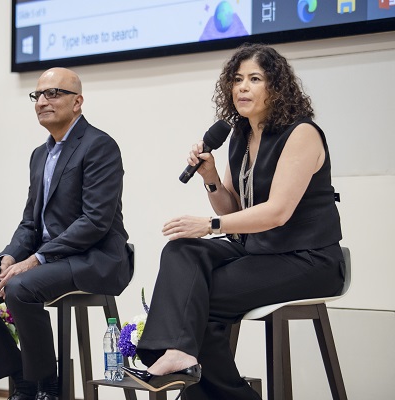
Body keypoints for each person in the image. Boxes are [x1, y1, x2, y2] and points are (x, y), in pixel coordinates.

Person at [122, 43, 344, 400]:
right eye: (237, 79)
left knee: (199, 300)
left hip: (309, 259)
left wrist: (208, 225)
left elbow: (277, 212)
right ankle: (181, 356)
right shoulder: (240, 136)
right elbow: (232, 210)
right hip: (259, 251)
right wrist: (210, 177)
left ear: (276, 87)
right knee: (182, 250)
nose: (242, 87)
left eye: (254, 78)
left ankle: (186, 366)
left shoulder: (301, 133)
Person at [0, 67, 132, 400]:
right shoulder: (40, 155)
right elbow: (30, 224)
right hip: (48, 260)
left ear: (77, 102)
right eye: (37, 95)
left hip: (94, 258)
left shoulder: (99, 146)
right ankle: (23, 378)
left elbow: (95, 221)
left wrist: (36, 259)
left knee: (20, 287)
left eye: (53, 93)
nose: (42, 101)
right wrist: (10, 256)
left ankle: (48, 385)